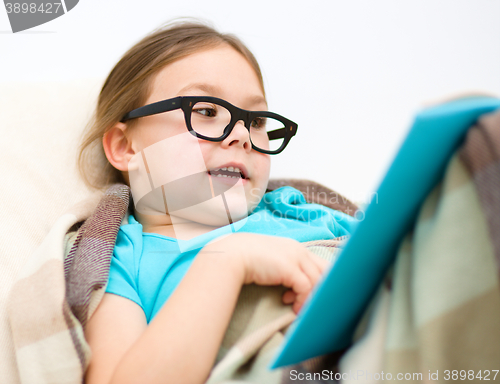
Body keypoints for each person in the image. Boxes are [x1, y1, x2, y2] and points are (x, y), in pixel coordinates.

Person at [79, 20, 357, 384]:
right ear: (125, 147)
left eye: (255, 120)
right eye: (207, 112)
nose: (242, 135)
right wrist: (226, 261)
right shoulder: (122, 259)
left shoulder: (299, 210)